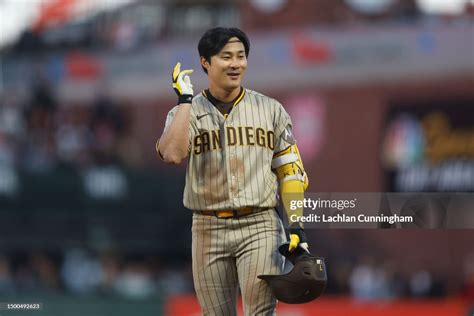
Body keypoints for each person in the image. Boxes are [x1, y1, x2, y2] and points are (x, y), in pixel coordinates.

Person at [157, 27, 310, 315]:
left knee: (260, 312)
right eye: (226, 56)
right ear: (205, 62)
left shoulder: (270, 109)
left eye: (241, 56)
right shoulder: (187, 112)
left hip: (260, 224)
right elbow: (172, 154)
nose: (235, 63)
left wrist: (296, 226)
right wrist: (185, 101)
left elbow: (290, 171)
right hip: (207, 226)